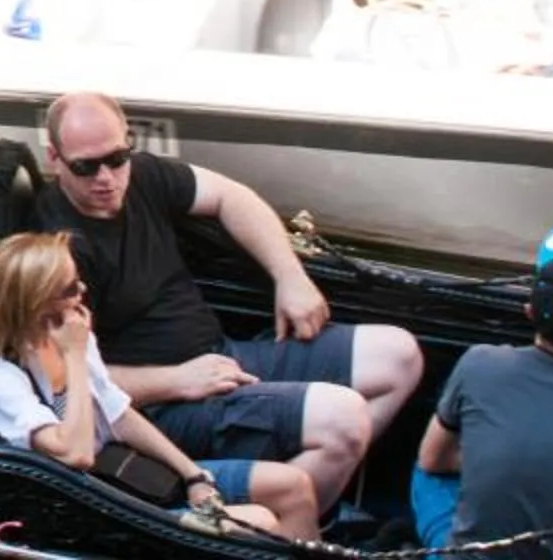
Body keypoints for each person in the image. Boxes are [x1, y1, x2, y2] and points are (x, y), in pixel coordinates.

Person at [32, 90, 423, 517]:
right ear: (54, 157)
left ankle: (305, 504)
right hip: (161, 408)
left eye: (117, 158)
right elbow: (70, 382)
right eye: (86, 167)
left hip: (221, 356)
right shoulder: (57, 252)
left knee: (397, 356)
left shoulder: (144, 176)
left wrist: (289, 277)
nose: (106, 177)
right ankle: (283, 523)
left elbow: (232, 196)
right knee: (343, 419)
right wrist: (177, 380)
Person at [0, 232, 311, 539]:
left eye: (80, 282)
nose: (83, 293)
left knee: (294, 487)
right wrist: (74, 356)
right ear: (36, 303)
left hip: (125, 473)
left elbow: (119, 415)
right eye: (71, 289)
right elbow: (77, 454)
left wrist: (193, 475)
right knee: (260, 521)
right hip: (82, 506)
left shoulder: (71, 335)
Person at [414, 225, 553, 557]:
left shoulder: (480, 363)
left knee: (425, 474)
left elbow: (433, 460)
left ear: (528, 311)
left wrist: (503, 459)